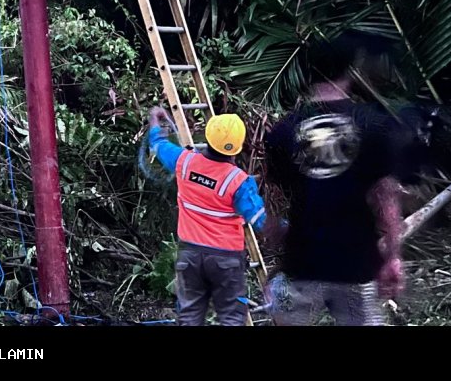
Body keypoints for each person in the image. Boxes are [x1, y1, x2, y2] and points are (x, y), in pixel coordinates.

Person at [264, 31, 412, 326]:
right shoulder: (374, 126)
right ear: (350, 69)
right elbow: (385, 197)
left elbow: (274, 203)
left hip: (302, 265)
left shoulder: (283, 131)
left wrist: (277, 243)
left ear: (307, 74)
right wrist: (393, 257)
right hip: (356, 268)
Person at [147, 107, 267, 326]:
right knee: (231, 317)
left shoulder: (184, 162)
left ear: (209, 138)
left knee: (190, 316)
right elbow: (259, 220)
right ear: (236, 148)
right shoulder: (238, 181)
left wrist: (155, 120)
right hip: (226, 260)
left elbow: (158, 145)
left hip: (190, 255)